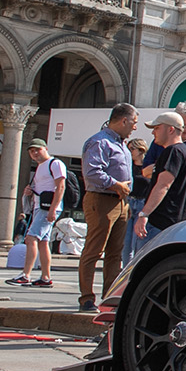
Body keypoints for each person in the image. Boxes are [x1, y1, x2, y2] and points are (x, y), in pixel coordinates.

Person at [78, 103, 137, 311]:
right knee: (94, 250)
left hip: (121, 202)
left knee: (115, 253)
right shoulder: (99, 142)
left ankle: (109, 297)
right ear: (123, 120)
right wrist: (116, 184)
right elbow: (92, 172)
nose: (134, 128)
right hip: (101, 199)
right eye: (134, 122)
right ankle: (86, 297)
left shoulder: (122, 145)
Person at [8, 139, 66, 288]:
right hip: (40, 206)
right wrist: (29, 191)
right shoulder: (40, 166)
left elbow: (60, 186)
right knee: (42, 241)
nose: (34, 153)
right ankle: (45, 277)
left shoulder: (55, 164)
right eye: (31, 151)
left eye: (37, 150)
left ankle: (26, 275)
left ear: (45, 148)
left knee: (31, 237)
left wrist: (53, 209)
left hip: (47, 207)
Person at [133, 112, 186, 246]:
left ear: (171, 129)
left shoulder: (174, 151)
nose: (153, 132)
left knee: (145, 265)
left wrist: (144, 214)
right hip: (171, 224)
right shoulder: (183, 152)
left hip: (160, 224)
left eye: (157, 128)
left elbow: (163, 185)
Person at [120, 137, 149, 266]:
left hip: (143, 202)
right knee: (126, 242)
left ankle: (135, 270)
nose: (129, 151)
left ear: (140, 149)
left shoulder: (149, 166)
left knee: (138, 241)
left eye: (132, 149)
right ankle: (126, 270)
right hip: (129, 201)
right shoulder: (128, 166)